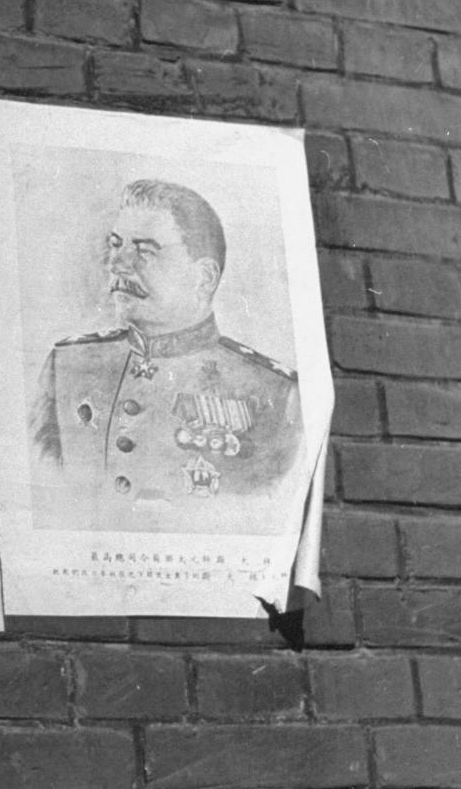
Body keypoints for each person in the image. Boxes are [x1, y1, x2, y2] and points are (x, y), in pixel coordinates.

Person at [29, 179, 302, 529]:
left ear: (204, 278)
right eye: (116, 245)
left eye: (145, 251)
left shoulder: (274, 393)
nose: (117, 264)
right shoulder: (69, 365)